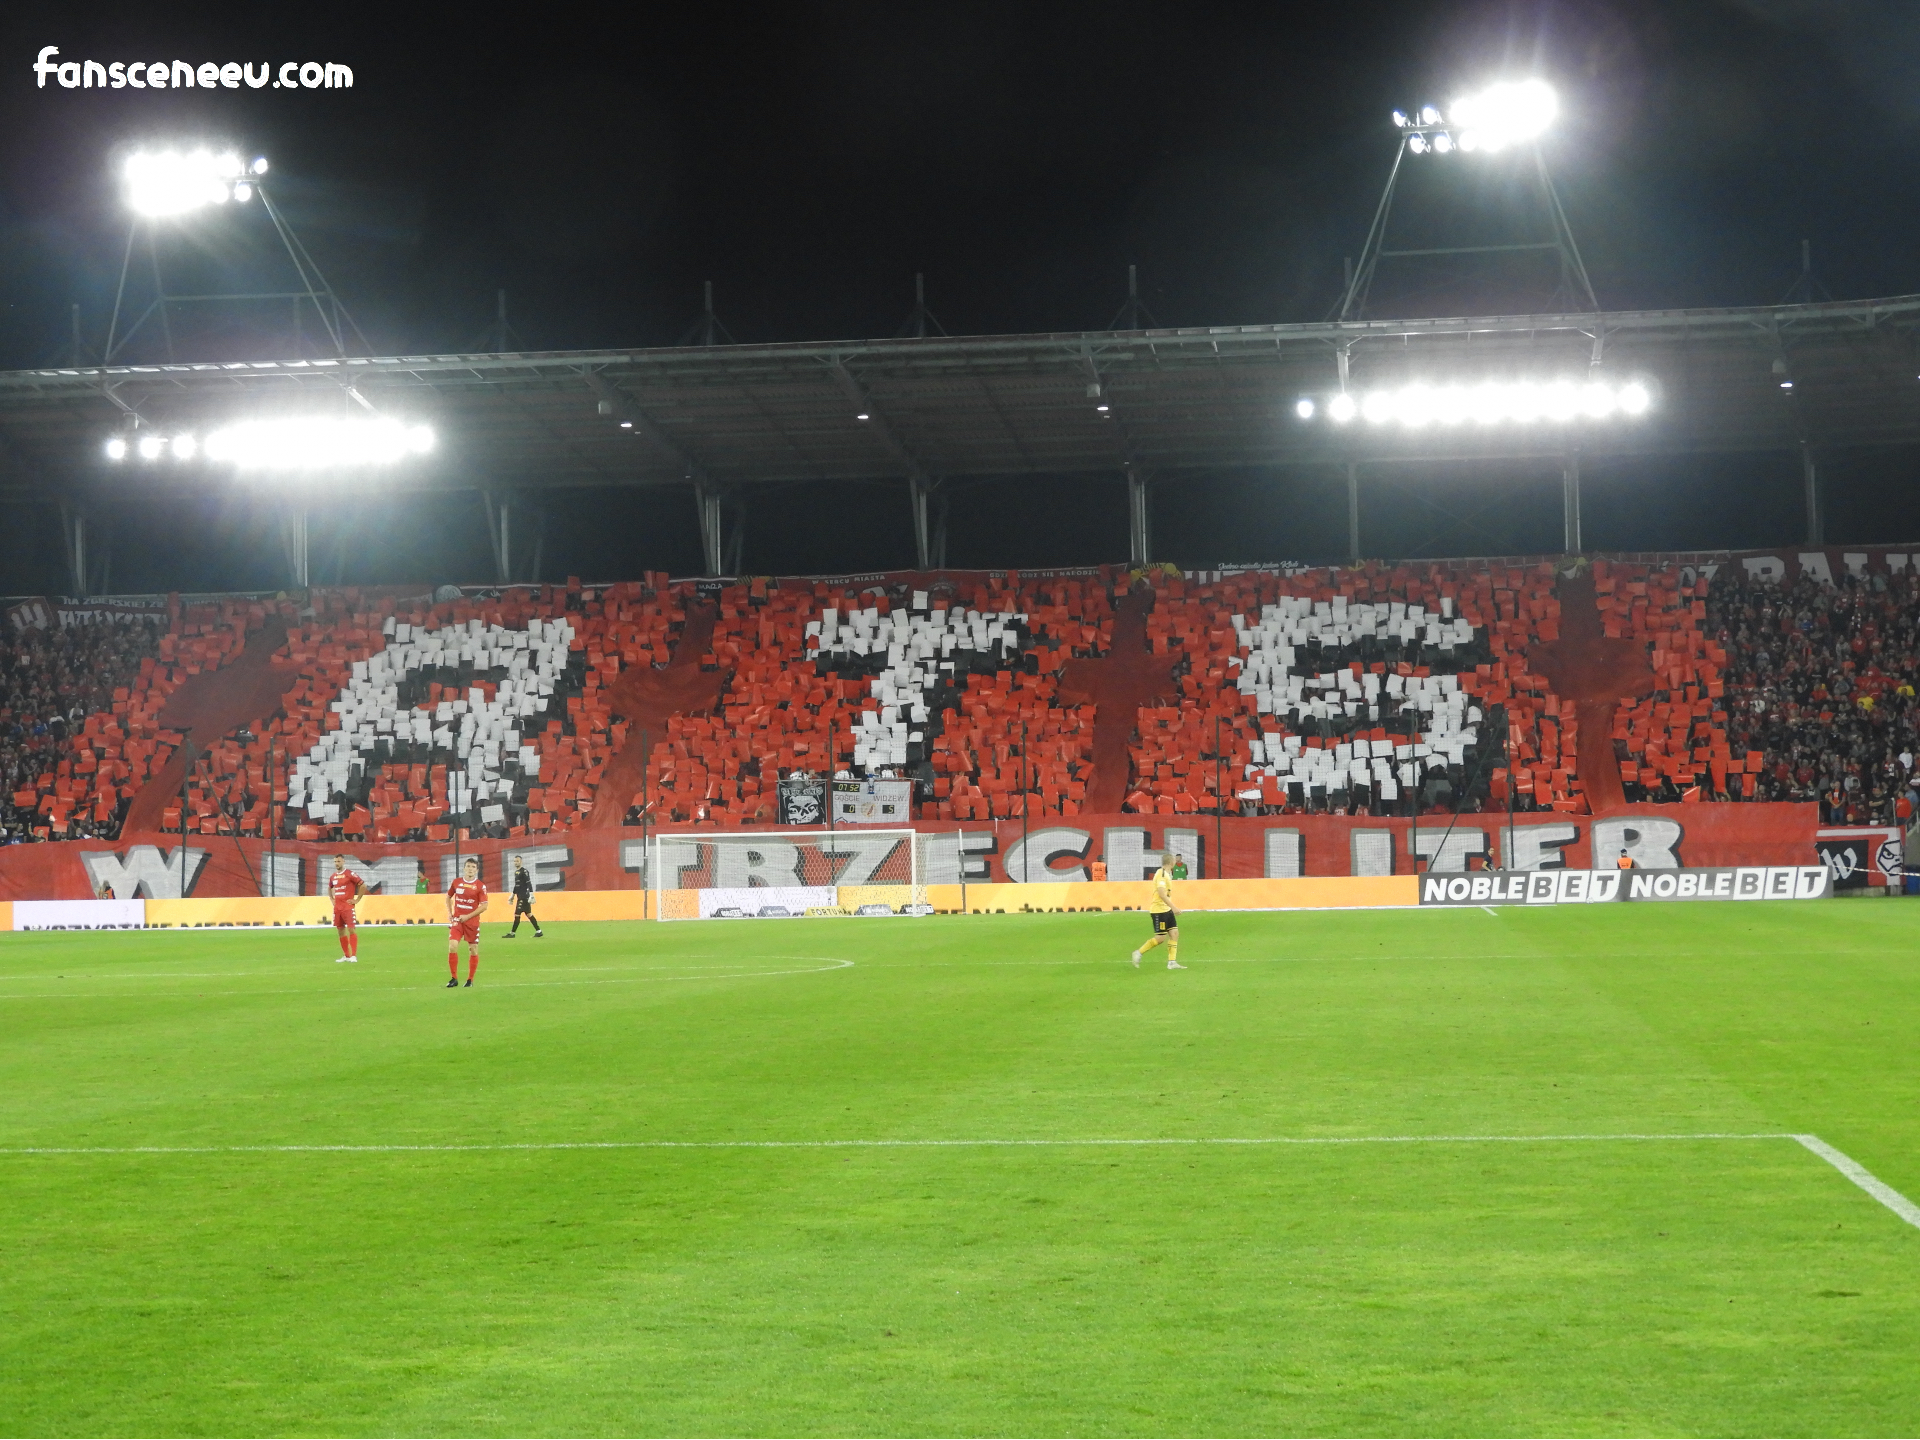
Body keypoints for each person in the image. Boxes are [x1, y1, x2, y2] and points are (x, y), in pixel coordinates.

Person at [1131, 853, 1185, 970]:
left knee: (1174, 933)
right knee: (1160, 938)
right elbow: (1161, 894)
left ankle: (1172, 962)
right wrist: (1174, 907)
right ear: (1171, 862)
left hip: (1166, 909)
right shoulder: (1161, 874)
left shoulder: (1167, 874)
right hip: (1159, 911)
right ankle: (1138, 953)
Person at [446, 857, 489, 987]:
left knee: (473, 949)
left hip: (472, 923)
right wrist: (450, 913)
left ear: (476, 870)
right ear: (464, 868)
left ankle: (470, 980)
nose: (470, 869)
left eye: (473, 867)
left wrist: (468, 916)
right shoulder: (456, 882)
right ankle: (454, 978)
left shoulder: (480, 886)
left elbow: (484, 906)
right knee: (452, 946)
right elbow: (448, 897)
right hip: (458, 921)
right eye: (468, 866)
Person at [327, 855, 366, 962]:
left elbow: (363, 885)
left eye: (338, 861)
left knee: (351, 929)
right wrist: (332, 899)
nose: (336, 863)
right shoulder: (333, 876)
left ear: (343, 861)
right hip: (337, 908)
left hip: (347, 907)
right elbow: (329, 888)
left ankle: (354, 956)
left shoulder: (350, 874)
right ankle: (346, 956)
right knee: (340, 930)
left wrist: (357, 900)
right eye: (335, 861)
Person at [504, 855, 544, 939]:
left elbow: (528, 883)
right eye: (514, 861)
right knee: (529, 914)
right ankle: (539, 931)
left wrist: (532, 894)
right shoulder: (516, 872)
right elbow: (517, 886)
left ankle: (512, 933)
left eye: (517, 861)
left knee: (517, 914)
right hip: (520, 896)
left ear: (521, 861)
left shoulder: (524, 871)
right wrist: (512, 895)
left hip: (524, 897)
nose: (516, 862)